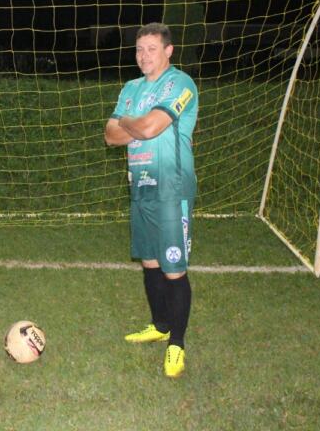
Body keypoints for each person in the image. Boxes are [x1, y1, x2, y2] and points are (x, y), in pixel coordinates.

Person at [104, 22, 198, 378]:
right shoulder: (130, 87)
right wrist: (135, 124)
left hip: (171, 187)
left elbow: (146, 129)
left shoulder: (180, 83)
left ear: (168, 50)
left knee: (173, 267)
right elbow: (109, 136)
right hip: (140, 186)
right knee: (150, 263)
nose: (143, 56)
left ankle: (177, 343)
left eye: (151, 49)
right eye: (139, 49)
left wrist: (128, 121)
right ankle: (159, 326)